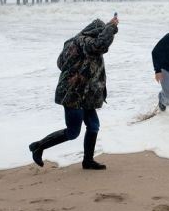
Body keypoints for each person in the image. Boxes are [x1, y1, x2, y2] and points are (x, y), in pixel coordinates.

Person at [28, 15, 119, 169]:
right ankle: (38, 146)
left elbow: (60, 63)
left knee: (94, 126)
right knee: (73, 132)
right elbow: (100, 45)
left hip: (86, 95)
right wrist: (110, 27)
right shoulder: (83, 41)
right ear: (95, 33)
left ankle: (88, 161)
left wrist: (111, 28)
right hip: (73, 95)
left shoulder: (74, 42)